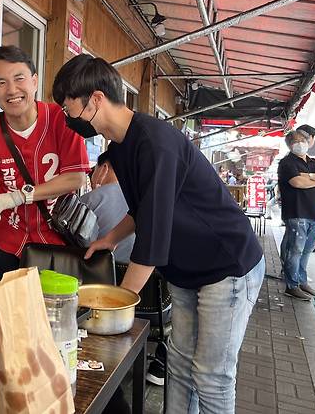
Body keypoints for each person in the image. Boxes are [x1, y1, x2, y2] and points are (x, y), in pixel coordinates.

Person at [52, 54, 264, 414]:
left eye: (71, 110)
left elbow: (152, 242)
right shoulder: (119, 148)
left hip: (227, 265)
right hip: (185, 270)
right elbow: (143, 209)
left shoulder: (154, 142)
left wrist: (115, 302)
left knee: (211, 375)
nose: (69, 119)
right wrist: (111, 238)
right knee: (180, 365)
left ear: (97, 99)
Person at [0, 45, 89, 278]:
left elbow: (76, 177)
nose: (12, 90)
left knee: (51, 310)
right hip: (7, 240)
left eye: (19, 78)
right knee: (7, 311)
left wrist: (20, 195)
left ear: (34, 81)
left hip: (56, 240)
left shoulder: (61, 120)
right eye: (0, 83)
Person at [278, 130, 315, 300]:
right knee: (295, 250)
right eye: (295, 141)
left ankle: (302, 281)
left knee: (307, 250)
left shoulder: (314, 162)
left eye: (302, 140)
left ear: (307, 141)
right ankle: (292, 285)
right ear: (289, 144)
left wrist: (310, 176)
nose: (299, 143)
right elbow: (297, 182)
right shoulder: (287, 163)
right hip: (296, 213)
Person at [80, 151, 134, 263]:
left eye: (94, 171)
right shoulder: (138, 197)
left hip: (102, 269)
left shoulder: (91, 199)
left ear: (103, 169)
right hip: (137, 271)